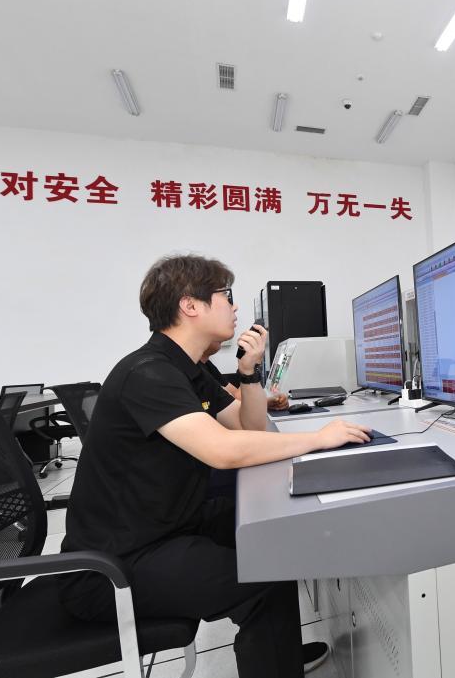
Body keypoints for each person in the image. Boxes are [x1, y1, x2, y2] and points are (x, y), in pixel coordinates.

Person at [59, 254, 372, 677]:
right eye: (226, 296)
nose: (235, 306)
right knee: (264, 580)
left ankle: (275, 652)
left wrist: (248, 371)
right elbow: (223, 450)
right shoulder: (148, 373)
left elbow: (250, 426)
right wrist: (319, 438)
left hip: (167, 524)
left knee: (272, 529)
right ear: (190, 305)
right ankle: (274, 660)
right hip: (115, 565)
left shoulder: (188, 368)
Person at [200, 340, 289, 409]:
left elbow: (236, 396)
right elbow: (236, 403)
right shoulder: (197, 371)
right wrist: (250, 367)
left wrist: (266, 403)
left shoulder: (207, 365)